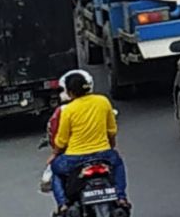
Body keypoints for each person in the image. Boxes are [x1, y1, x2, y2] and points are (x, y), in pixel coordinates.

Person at [50, 73, 129, 215]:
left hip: (75, 159)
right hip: (103, 155)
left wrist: (54, 154)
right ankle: (121, 197)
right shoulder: (103, 101)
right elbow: (111, 131)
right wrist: (111, 147)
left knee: (55, 169)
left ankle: (63, 204)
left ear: (70, 92)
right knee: (118, 163)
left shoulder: (68, 110)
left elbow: (61, 141)